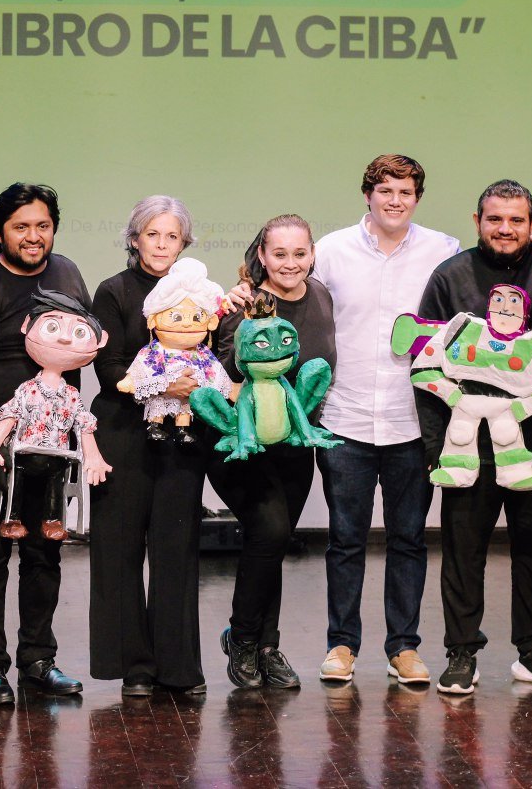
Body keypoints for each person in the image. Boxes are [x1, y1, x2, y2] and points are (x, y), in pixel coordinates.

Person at [415, 179, 532, 695]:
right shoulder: (450, 275)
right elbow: (424, 359)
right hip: (466, 447)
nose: (506, 229)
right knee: (462, 554)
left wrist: (527, 310)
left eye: (517, 219)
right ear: (478, 221)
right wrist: (435, 448)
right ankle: (461, 654)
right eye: (495, 219)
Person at [309, 155, 458, 687]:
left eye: (406, 192)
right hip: (344, 418)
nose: (395, 200)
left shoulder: (443, 251)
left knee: (409, 540)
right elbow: (289, 296)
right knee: (345, 540)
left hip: (412, 421)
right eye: (385, 190)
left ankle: (404, 648)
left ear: (417, 198)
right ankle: (341, 646)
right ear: (367, 194)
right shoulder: (330, 251)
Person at [0, 182, 91, 704]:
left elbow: (76, 354)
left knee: (44, 553)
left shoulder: (67, 273)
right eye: (21, 227)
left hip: (53, 444)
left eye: (42, 226)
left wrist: (72, 433)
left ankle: (39, 660)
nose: (33, 236)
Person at [88, 196, 211, 696]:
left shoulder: (200, 294)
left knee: (176, 549)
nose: (161, 245)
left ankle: (177, 668)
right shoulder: (113, 291)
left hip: (182, 436)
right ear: (135, 238)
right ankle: (134, 668)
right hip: (122, 432)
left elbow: (215, 358)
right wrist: (163, 385)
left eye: (172, 236)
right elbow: (108, 368)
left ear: (184, 243)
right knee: (118, 549)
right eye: (152, 234)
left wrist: (196, 388)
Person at [210, 214, 336, 690]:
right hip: (247, 445)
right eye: (279, 253)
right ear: (262, 255)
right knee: (270, 531)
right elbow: (224, 375)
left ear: (312, 254)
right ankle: (242, 639)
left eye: (300, 253)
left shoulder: (320, 296)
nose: (290, 263)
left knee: (273, 544)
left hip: (294, 444)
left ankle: (267, 646)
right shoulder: (243, 305)